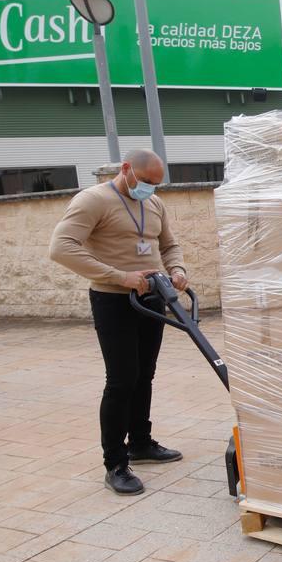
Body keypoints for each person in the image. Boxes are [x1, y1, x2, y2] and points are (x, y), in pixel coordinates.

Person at [49, 149, 186, 495]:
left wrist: (178, 269)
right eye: (146, 182)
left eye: (157, 184)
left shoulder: (154, 203)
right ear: (126, 169)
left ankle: (140, 442)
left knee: (145, 374)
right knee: (122, 379)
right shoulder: (93, 200)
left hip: (153, 296)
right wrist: (119, 276)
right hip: (114, 300)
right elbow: (61, 247)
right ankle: (115, 463)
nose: (151, 189)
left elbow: (169, 244)